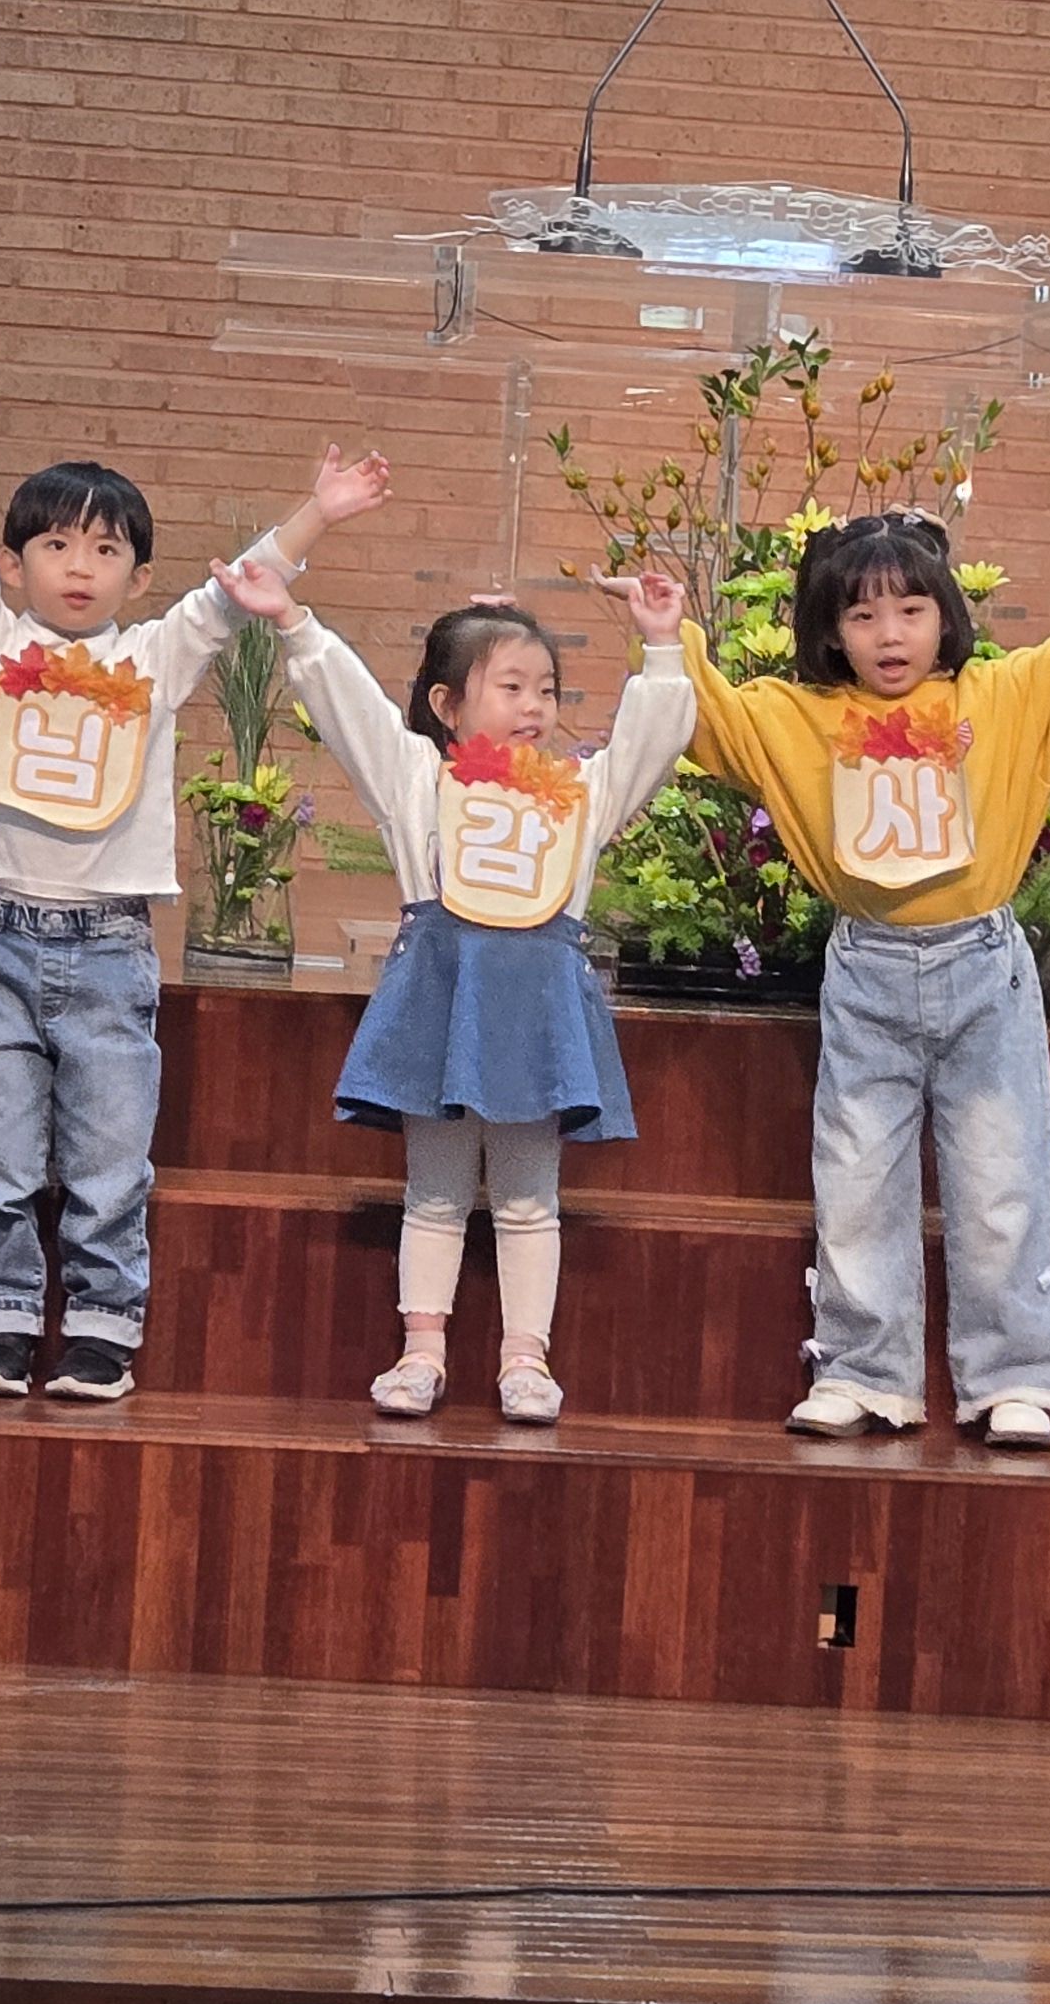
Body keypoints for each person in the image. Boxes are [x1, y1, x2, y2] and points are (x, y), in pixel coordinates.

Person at [679, 455, 1050, 1451]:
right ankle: (861, 1372)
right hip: (867, 969)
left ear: (944, 616)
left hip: (982, 966)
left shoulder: (1004, 699)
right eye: (863, 616)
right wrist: (661, 631)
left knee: (1003, 1177)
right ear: (830, 631)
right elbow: (704, 716)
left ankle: (1014, 1378)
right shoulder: (796, 718)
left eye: (910, 610)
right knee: (856, 1180)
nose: (889, 635)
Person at [0, 441, 387, 1403]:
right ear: (14, 565)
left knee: (108, 1157)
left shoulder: (152, 658)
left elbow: (234, 592)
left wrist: (317, 511)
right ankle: (2, 1317)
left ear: (138, 577)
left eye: (106, 550)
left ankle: (102, 1326)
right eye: (56, 545)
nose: (79, 567)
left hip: (108, 949)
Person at [220, 553, 697, 1426]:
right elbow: (354, 713)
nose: (534, 707)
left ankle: (526, 1361)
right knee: (435, 1192)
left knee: (528, 1198)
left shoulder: (580, 796)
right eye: (510, 687)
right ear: (446, 706)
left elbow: (649, 746)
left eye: (545, 690)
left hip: (537, 1017)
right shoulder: (417, 783)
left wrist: (662, 645)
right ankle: (422, 1351)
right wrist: (293, 622)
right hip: (441, 1005)